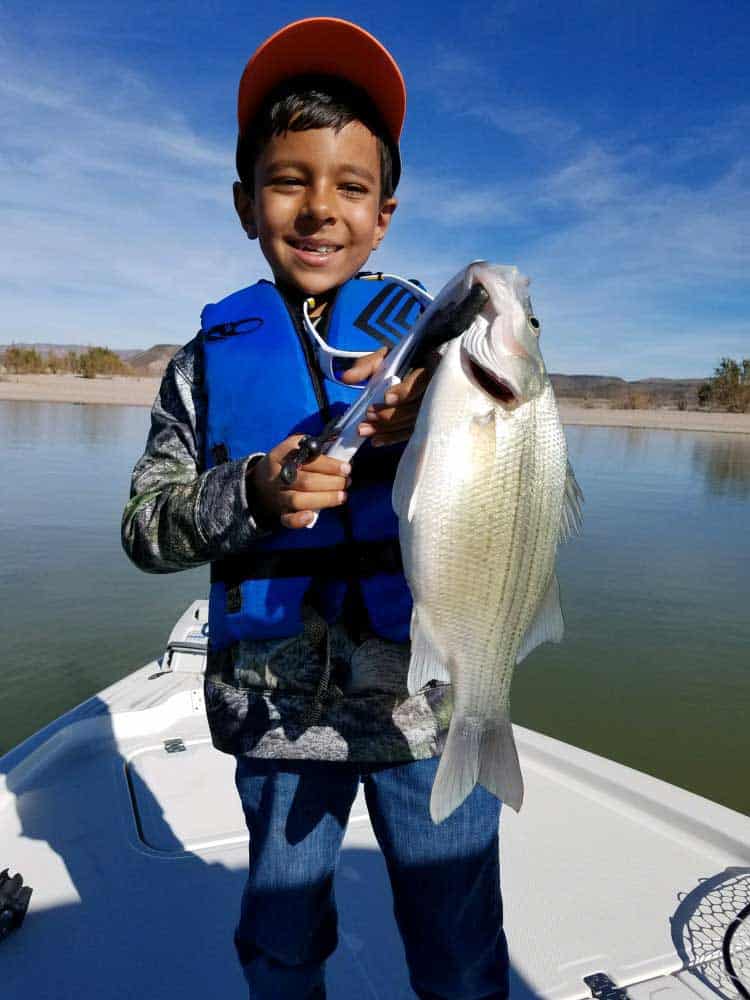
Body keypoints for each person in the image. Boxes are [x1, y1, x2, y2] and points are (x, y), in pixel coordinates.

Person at [122, 16, 509, 1000]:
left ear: (384, 214)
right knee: (283, 941)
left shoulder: (440, 343)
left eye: (350, 185)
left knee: (462, 950)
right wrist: (253, 488)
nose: (317, 209)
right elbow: (147, 523)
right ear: (246, 202)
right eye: (289, 180)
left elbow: (518, 423)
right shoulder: (205, 365)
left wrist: (438, 405)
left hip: (428, 711)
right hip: (276, 716)